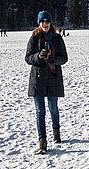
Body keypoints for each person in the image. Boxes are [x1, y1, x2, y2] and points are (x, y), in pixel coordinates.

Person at [25, 11, 68, 154]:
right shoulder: (34, 37)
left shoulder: (57, 38)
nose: (45, 24)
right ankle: (42, 142)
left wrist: (53, 60)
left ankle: (56, 133)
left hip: (53, 78)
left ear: (50, 23)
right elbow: (28, 58)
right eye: (43, 21)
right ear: (39, 23)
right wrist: (38, 56)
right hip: (37, 79)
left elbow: (64, 58)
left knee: (53, 108)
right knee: (40, 111)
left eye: (47, 21)